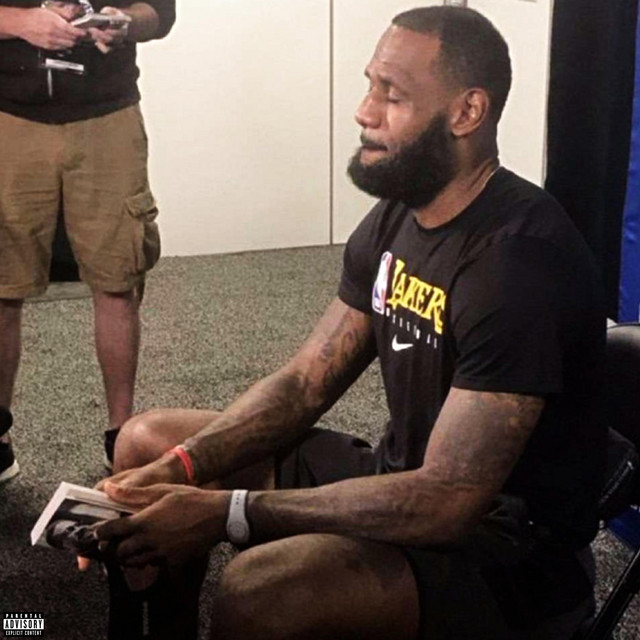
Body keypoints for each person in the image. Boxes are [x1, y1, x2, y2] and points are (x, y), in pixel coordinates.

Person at [93, 6, 607, 639]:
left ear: (467, 112)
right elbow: (305, 382)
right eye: (370, 86)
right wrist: (180, 468)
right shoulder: (400, 214)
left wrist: (227, 512)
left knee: (262, 593)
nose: (365, 111)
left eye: (393, 95)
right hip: (403, 480)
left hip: (503, 556)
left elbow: (448, 500)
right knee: (145, 441)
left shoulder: (519, 264)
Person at [0, 0, 176, 483]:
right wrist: (21, 23)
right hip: (9, 115)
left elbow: (160, 12)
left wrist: (125, 24)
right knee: (1, 285)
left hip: (108, 116)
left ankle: (122, 440)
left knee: (118, 278)